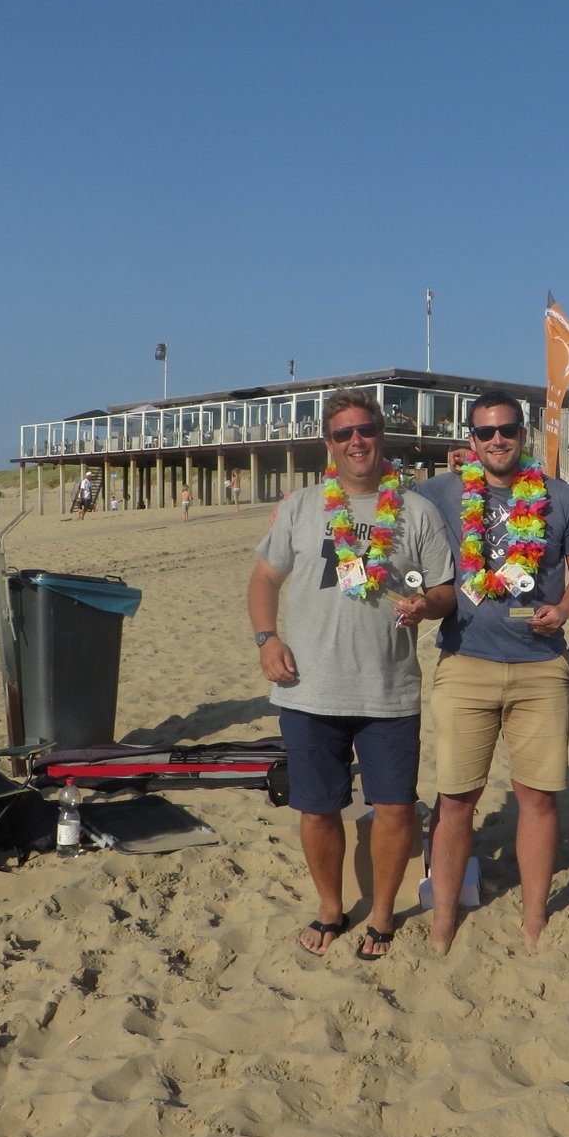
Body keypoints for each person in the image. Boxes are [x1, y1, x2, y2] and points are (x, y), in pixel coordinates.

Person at [247, 390, 455, 960]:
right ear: (329, 443)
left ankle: (382, 914)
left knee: (395, 808)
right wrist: (267, 639)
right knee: (317, 808)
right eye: (344, 434)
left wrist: (427, 605)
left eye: (366, 430)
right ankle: (330, 907)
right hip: (308, 687)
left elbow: (445, 589)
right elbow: (264, 579)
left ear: (381, 436)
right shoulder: (301, 506)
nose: (356, 441)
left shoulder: (416, 511)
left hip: (388, 688)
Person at [414, 391, 569, 953]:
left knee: (537, 797)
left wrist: (563, 610)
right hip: (464, 663)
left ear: (524, 433)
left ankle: (535, 916)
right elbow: (379, 508)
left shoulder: (559, 497)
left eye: (507, 430)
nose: (497, 440)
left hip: (541, 668)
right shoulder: (439, 493)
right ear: (470, 439)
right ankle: (444, 917)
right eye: (485, 432)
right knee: (455, 798)